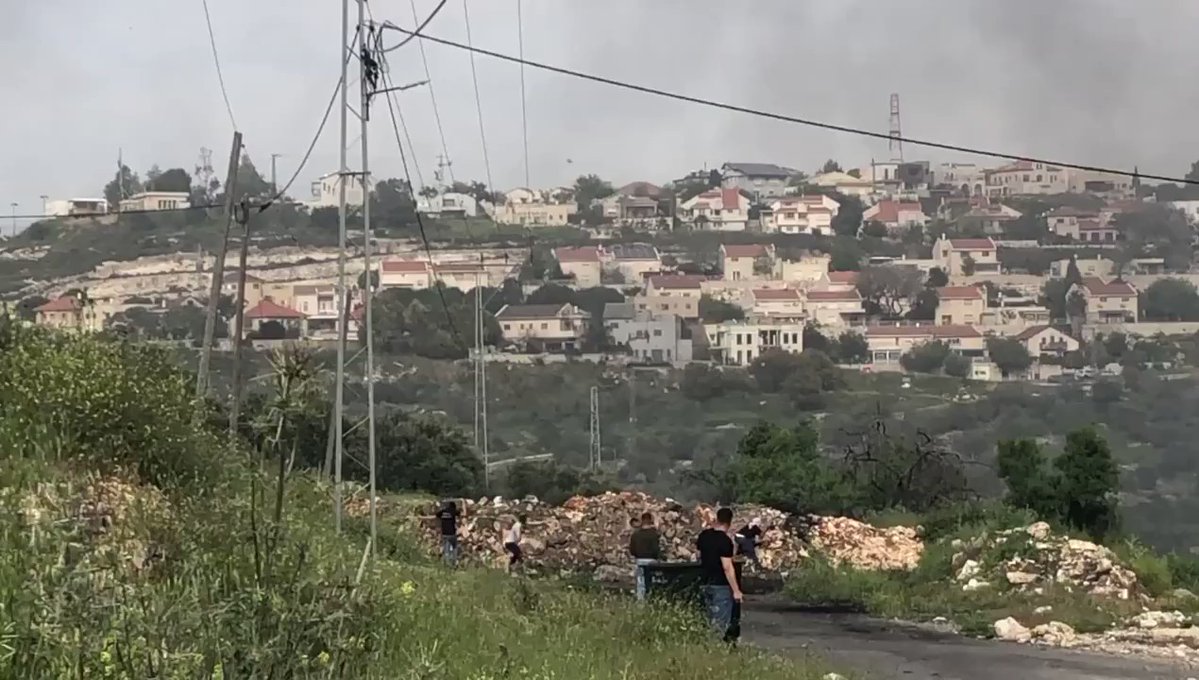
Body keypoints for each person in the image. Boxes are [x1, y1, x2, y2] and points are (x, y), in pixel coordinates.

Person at [696, 507, 743, 639]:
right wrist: (736, 590)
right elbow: (727, 567)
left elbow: (698, 556)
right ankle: (715, 649)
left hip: (704, 582)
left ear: (717, 519)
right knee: (720, 623)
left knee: (706, 619)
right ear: (729, 522)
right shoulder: (725, 541)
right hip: (720, 585)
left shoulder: (703, 536)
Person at [628, 511, 663, 601]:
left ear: (642, 521)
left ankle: (641, 602)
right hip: (652, 561)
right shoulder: (654, 534)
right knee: (651, 581)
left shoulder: (635, 535)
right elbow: (656, 549)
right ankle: (652, 598)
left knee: (640, 583)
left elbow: (632, 550)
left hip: (639, 560)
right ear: (650, 521)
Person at [435, 500, 460, 566]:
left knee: (446, 548)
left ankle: (446, 562)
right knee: (454, 546)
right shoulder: (453, 511)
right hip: (452, 533)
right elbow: (461, 513)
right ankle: (454, 561)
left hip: (444, 533)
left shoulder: (443, 511)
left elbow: (437, 515)